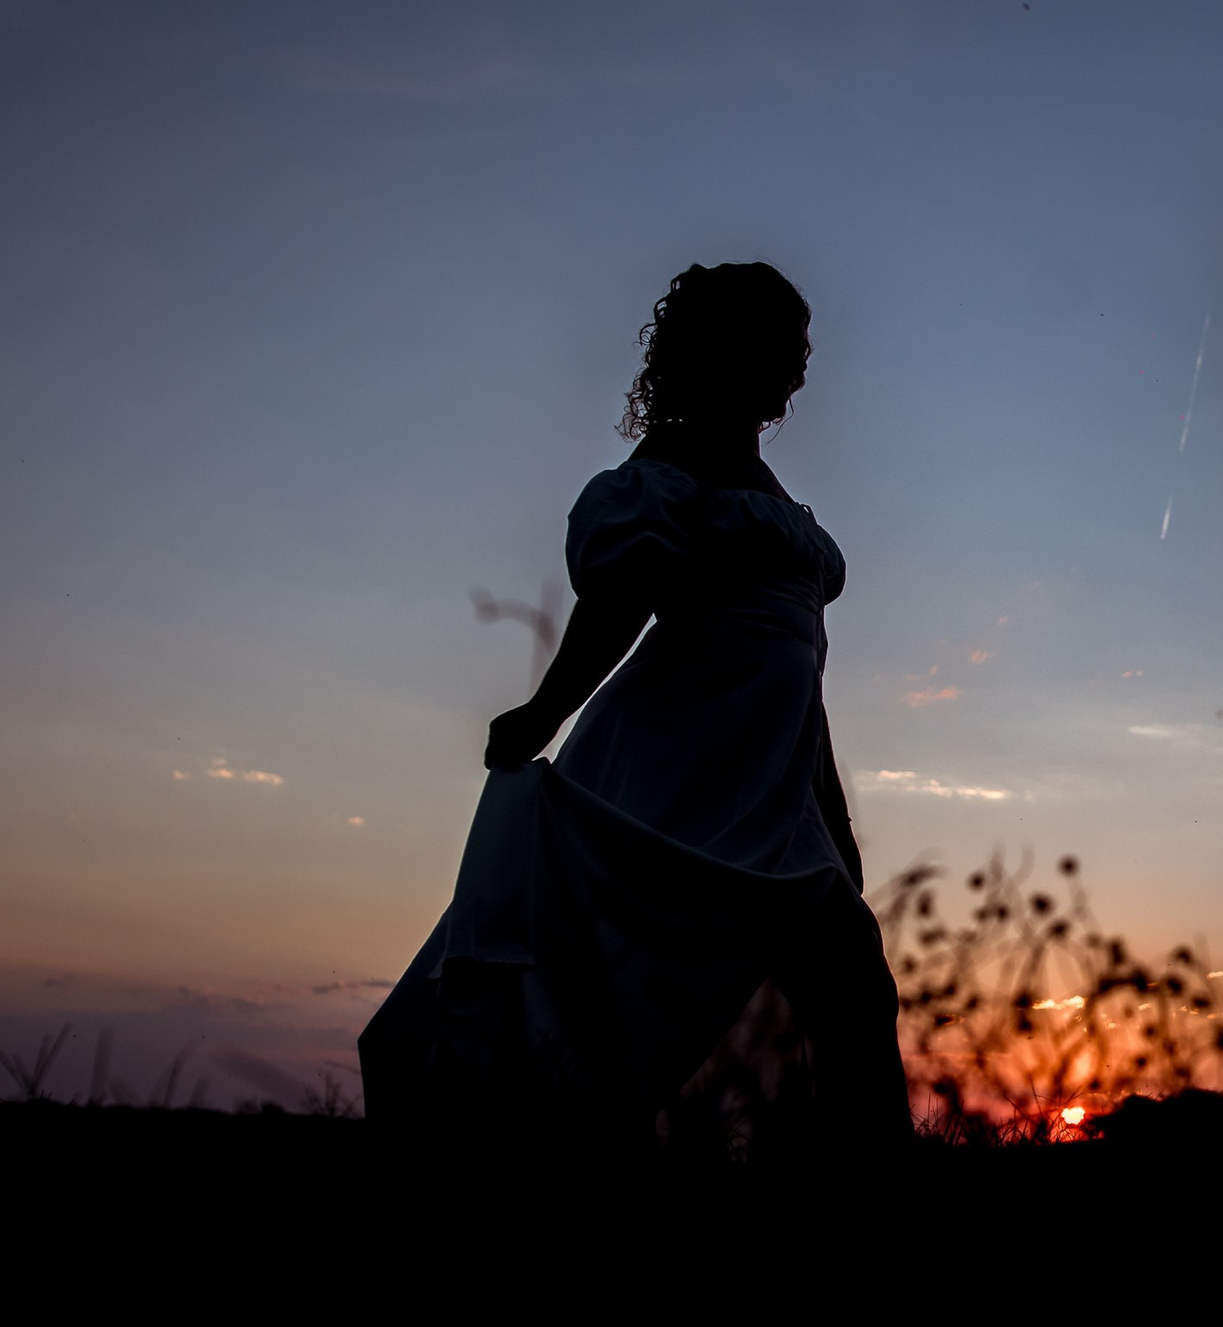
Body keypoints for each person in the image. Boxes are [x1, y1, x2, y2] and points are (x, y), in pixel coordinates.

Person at [360, 262, 910, 1151]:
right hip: (681, 764)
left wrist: (832, 813)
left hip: (777, 784)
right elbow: (621, 598)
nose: (800, 368)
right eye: (784, 346)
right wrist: (545, 708)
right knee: (624, 983)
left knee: (851, 975)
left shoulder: (769, 484)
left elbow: (802, 678)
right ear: (728, 347)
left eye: (804, 350)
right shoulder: (672, 461)